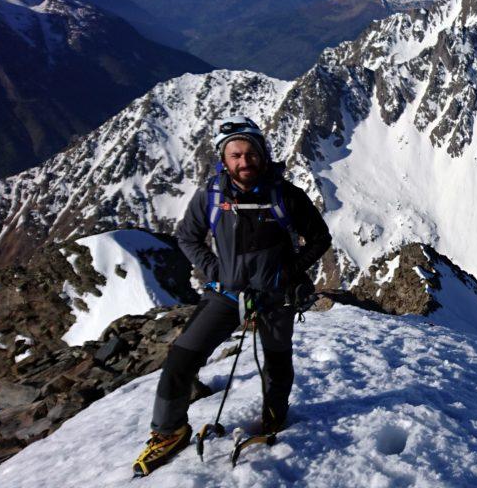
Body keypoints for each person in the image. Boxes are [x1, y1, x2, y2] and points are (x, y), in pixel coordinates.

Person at [133, 116, 331, 476]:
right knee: (181, 359)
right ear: (224, 160)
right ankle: (168, 432)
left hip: (275, 295)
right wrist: (214, 271)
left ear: (263, 155)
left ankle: (274, 417)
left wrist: (288, 272)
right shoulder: (210, 196)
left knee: (277, 362)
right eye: (235, 155)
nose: (244, 162)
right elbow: (187, 237)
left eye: (250, 153)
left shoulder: (286, 196)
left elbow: (320, 239)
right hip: (226, 294)